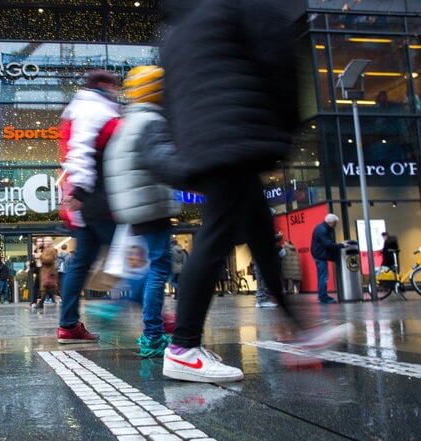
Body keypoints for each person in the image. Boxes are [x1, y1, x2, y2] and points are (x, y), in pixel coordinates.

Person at [146, 2, 351, 383]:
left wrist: (188, 149)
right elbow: (276, 54)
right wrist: (286, 126)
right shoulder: (234, 4)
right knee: (216, 236)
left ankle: (299, 329)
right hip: (236, 130)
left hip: (210, 138)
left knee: (259, 230)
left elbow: (170, 97)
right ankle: (183, 347)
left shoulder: (175, 31)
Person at [103, 65, 181, 358]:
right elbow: (163, 161)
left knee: (147, 267)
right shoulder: (150, 120)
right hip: (150, 204)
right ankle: (151, 335)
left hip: (132, 207)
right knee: (159, 268)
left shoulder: (128, 123)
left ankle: (120, 307)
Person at [57, 68, 121, 343]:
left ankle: (69, 324)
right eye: (115, 86)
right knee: (130, 257)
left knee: (81, 264)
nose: (117, 91)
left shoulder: (80, 107)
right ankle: (155, 320)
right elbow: (81, 151)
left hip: (89, 202)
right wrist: (81, 190)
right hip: (98, 200)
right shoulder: (93, 107)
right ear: (104, 84)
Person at [311, 213, 347, 304]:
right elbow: (328, 244)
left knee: (322, 275)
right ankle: (323, 297)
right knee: (323, 276)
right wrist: (341, 245)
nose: (336, 225)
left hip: (319, 254)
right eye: (335, 223)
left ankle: (323, 295)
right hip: (320, 255)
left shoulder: (323, 228)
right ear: (331, 222)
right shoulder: (323, 230)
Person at [37, 236, 59, 308]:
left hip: (49, 272)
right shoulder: (46, 249)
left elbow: (49, 260)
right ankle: (41, 303)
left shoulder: (51, 250)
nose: (44, 242)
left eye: (46, 241)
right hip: (46, 272)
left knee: (47, 288)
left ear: (50, 242)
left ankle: (41, 303)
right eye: (44, 241)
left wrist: (40, 256)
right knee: (47, 288)